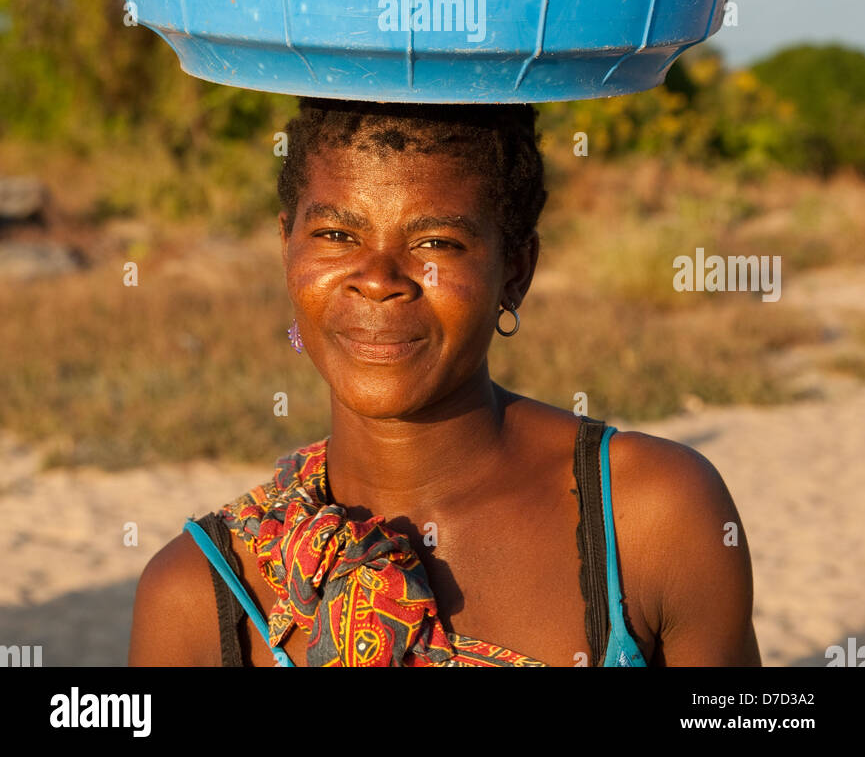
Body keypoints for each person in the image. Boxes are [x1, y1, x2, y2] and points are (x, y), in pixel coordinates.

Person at [128, 98, 761, 668]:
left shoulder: (648, 515)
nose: (377, 279)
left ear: (516, 270)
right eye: (336, 235)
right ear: (286, 246)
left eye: (436, 240)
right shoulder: (197, 594)